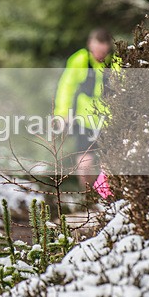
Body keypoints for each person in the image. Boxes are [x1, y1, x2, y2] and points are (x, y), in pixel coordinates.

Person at [53, 28, 115, 188]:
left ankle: (106, 200)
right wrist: (61, 113)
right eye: (96, 50)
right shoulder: (80, 59)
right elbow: (66, 86)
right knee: (85, 162)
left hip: (110, 120)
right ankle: (87, 196)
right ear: (90, 45)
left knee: (108, 164)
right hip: (84, 118)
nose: (99, 55)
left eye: (103, 51)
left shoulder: (116, 62)